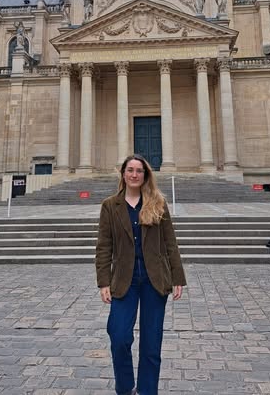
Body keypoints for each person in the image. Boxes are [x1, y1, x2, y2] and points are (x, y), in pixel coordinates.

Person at [96, 154, 186, 395]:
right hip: (124, 280)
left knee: (151, 343)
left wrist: (178, 276)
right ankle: (125, 389)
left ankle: (147, 392)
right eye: (130, 170)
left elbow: (170, 242)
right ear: (123, 173)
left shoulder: (157, 203)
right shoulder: (110, 206)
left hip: (154, 280)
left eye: (139, 171)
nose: (134, 174)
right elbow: (104, 246)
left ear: (145, 175)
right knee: (119, 336)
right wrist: (103, 282)